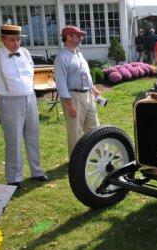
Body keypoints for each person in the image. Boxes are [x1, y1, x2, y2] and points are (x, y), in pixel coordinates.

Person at [0, 24, 48, 188]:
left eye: (18, 39)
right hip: (9, 102)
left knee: (33, 137)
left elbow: (30, 72)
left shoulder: (24, 53)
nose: (16, 43)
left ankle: (36, 171)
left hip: (30, 99)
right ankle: (14, 177)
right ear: (2, 39)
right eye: (12, 40)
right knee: (13, 140)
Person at [54, 25, 100, 156]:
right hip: (73, 97)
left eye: (81, 35)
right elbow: (61, 84)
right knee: (75, 130)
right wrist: (69, 104)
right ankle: (75, 160)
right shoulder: (61, 57)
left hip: (88, 95)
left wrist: (93, 88)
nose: (82, 38)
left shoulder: (78, 53)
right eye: (78, 35)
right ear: (68, 37)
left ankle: (98, 153)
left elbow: (85, 73)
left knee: (94, 127)